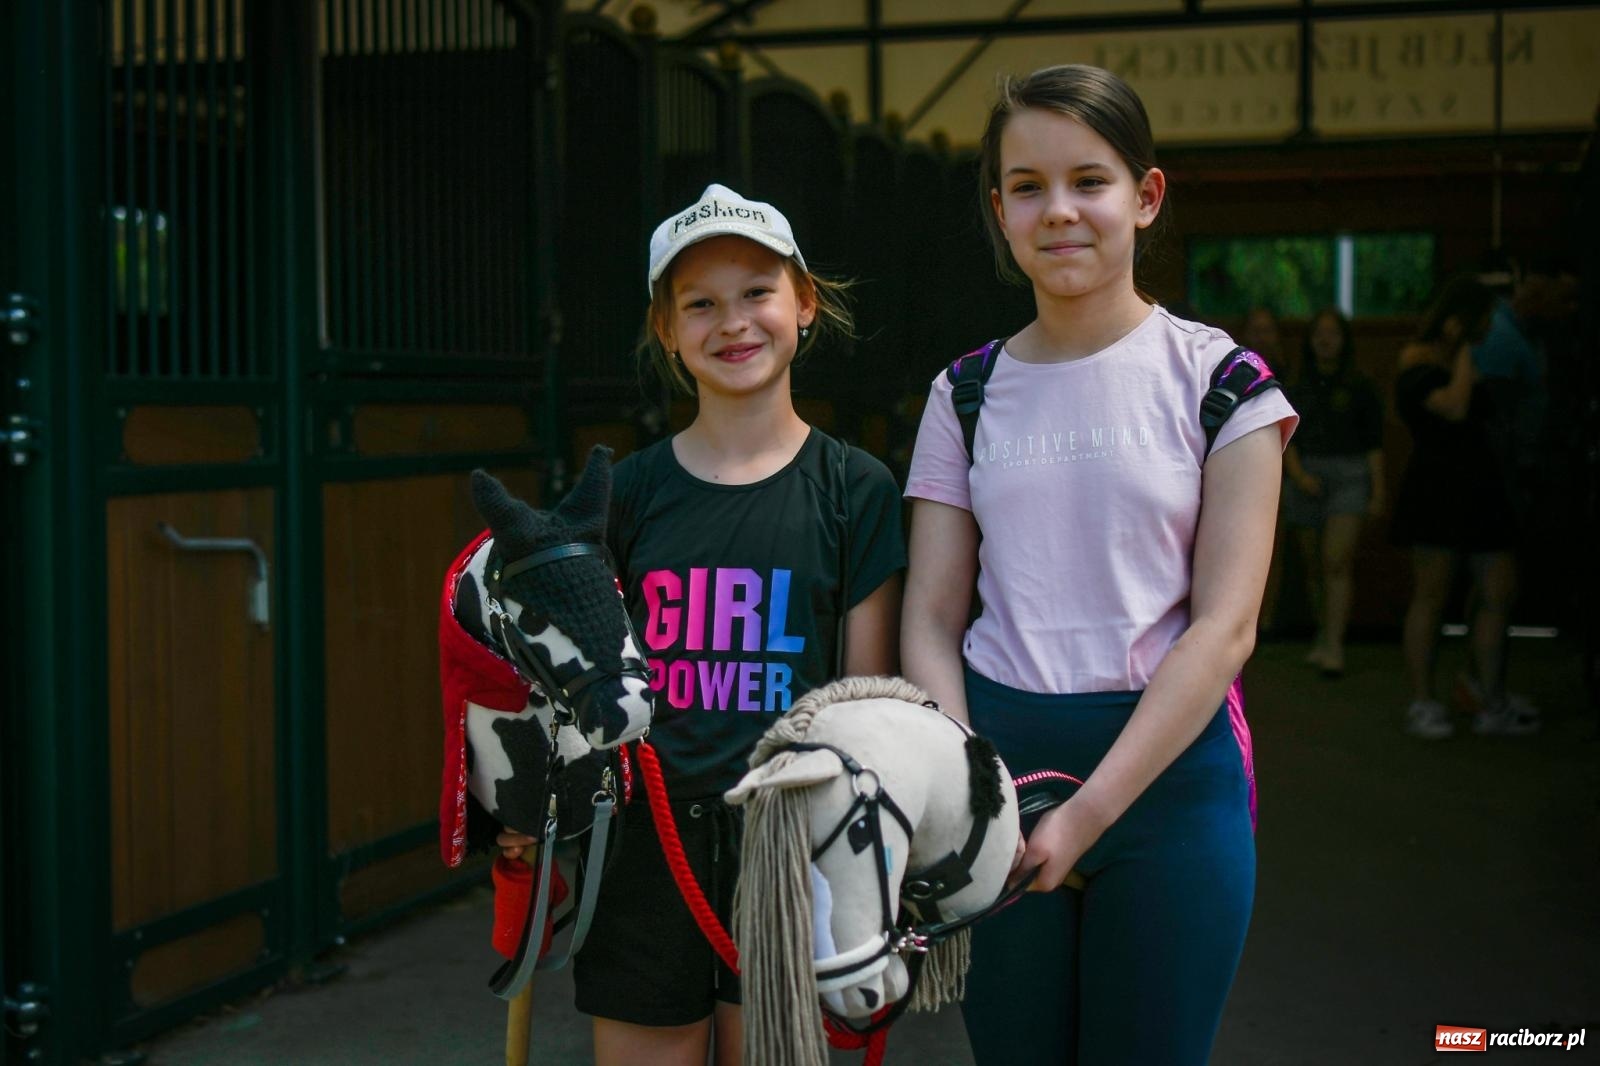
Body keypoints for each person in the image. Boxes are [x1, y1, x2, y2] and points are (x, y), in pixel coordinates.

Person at [900, 66, 1297, 1065]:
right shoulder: (965, 394)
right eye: (1026, 186)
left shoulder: (1223, 384)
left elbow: (1224, 627)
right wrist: (970, 790)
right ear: (999, 210)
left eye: (1090, 179)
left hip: (1167, 787)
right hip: (1000, 770)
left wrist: (1084, 815)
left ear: (1145, 196)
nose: (1059, 209)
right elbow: (930, 615)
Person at [500, 184, 906, 1066]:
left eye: (757, 291)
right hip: (644, 843)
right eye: (700, 304)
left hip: (790, 840)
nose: (734, 321)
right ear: (666, 329)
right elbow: (575, 681)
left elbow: (865, 701)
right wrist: (529, 801)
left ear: (803, 303)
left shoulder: (856, 487)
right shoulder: (626, 493)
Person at [1391, 276, 1535, 739]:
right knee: (1431, 597)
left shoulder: (1472, 360)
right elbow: (1452, 407)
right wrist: (1464, 350)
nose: (1491, 327)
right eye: (1484, 319)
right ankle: (1423, 701)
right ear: (1459, 322)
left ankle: (1485, 693)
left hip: (1483, 487)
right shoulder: (1419, 362)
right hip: (1437, 490)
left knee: (1498, 591)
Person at [1280, 308, 1386, 677]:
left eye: (1333, 333)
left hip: (1349, 476)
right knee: (1314, 568)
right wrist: (1298, 475)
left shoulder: (1360, 384)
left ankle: (1335, 645)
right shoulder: (1295, 383)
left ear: (1344, 339)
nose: (1325, 340)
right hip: (1305, 474)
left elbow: (1375, 443)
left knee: (1336, 562)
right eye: (1319, 334)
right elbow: (1285, 436)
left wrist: (1378, 491)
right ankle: (1323, 636)